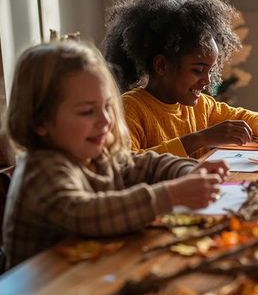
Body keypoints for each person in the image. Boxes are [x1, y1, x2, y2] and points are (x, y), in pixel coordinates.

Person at [2, 41, 228, 269]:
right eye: (87, 111)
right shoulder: (41, 168)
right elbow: (85, 214)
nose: (105, 121)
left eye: (108, 107)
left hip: (91, 274)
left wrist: (189, 171)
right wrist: (169, 195)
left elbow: (146, 165)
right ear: (40, 121)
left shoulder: (97, 154)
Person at [103, 0, 258, 158]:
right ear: (162, 66)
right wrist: (200, 139)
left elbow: (238, 115)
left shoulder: (202, 106)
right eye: (198, 70)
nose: (207, 81)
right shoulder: (130, 109)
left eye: (210, 71)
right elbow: (127, 163)